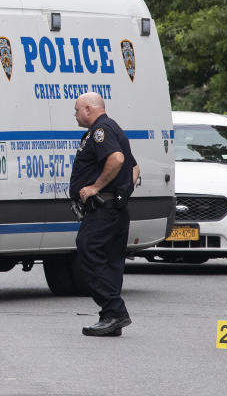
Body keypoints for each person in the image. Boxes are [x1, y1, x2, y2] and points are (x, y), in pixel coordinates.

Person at [69, 92, 138, 337]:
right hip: (114, 208)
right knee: (110, 261)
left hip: (103, 209)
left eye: (76, 110)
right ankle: (110, 318)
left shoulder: (101, 130)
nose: (75, 115)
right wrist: (122, 193)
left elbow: (118, 159)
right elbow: (134, 167)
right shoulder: (112, 128)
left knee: (88, 250)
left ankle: (114, 310)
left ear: (88, 109)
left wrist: (96, 188)